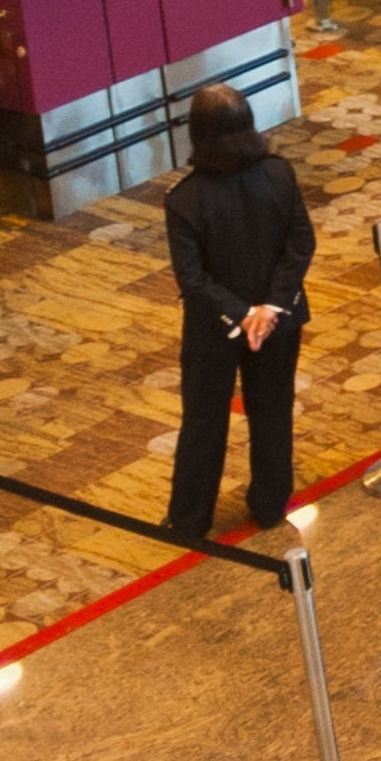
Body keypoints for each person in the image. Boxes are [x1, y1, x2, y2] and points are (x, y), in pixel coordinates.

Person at [158, 80, 312, 541]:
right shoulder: (279, 174)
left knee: (204, 420)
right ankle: (269, 504)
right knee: (273, 410)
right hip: (279, 320)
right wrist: (270, 307)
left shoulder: (185, 199)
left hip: (214, 328)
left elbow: (192, 278)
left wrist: (243, 314)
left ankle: (190, 519)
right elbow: (300, 243)